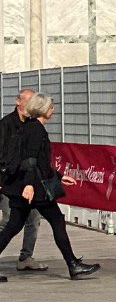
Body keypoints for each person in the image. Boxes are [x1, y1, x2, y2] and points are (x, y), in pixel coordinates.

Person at [0, 93, 99, 280]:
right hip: (34, 188)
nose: (52, 109)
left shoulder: (28, 127)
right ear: (44, 110)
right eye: (50, 106)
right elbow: (30, 160)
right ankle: (73, 264)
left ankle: (73, 264)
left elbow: (40, 162)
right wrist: (29, 185)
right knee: (56, 221)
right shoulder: (36, 130)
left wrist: (60, 177)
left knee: (13, 226)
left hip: (25, 185)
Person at [0, 89, 44, 272]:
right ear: (18, 101)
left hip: (27, 181)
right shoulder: (6, 125)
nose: (30, 105)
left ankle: (26, 257)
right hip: (8, 181)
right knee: (9, 219)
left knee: (33, 218)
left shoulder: (33, 125)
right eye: (27, 101)